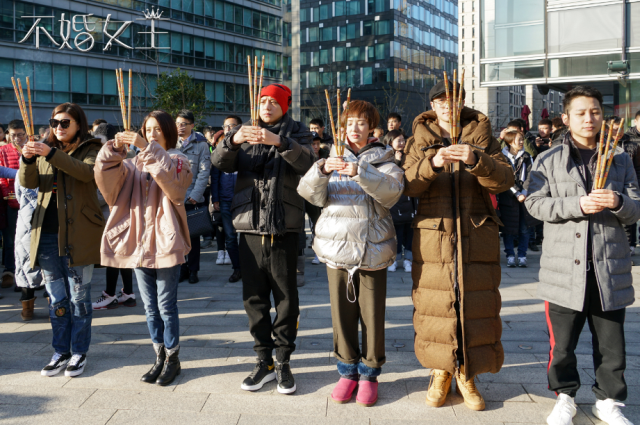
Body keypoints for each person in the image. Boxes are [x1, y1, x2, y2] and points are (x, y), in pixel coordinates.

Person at [524, 86, 640, 425]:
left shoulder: (619, 158)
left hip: (609, 267)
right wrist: (576, 205)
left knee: (611, 344)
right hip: (563, 269)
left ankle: (610, 401)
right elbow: (534, 203)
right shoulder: (547, 159)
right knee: (562, 345)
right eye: (580, 113)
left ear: (603, 117)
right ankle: (565, 396)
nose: (589, 119)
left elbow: (635, 208)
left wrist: (618, 203)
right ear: (566, 118)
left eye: (594, 112)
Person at [403, 79, 514, 411]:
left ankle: (467, 373)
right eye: (440, 102)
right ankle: (441, 371)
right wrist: (432, 164)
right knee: (435, 306)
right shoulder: (418, 140)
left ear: (463, 103)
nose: (447, 106)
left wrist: (476, 160)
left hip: (475, 232)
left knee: (475, 306)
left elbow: (504, 180)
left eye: (453, 100)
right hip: (433, 235)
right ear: (432, 106)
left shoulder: (484, 138)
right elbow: (407, 185)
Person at [298, 100, 403, 407]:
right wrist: (320, 170)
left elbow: (392, 194)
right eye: (349, 123)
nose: (354, 129)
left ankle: (369, 373)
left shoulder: (385, 159)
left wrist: (360, 171)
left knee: (372, 315)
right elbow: (310, 195)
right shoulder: (330, 156)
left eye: (361, 122)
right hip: (336, 247)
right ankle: (346, 371)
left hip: (372, 248)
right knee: (341, 315)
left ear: (372, 127)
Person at [212, 83, 314, 394]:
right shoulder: (244, 133)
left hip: (284, 227)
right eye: (262, 101)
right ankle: (264, 361)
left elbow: (308, 164)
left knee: (286, 299)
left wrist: (279, 142)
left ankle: (283, 361)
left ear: (285, 104)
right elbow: (219, 162)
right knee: (253, 299)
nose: (266, 106)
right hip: (249, 226)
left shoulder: (298, 132)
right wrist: (232, 140)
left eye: (273, 101)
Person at [95, 110, 193, 386]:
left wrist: (145, 148)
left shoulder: (179, 159)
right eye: (147, 130)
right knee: (150, 307)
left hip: (165, 242)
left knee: (166, 304)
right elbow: (106, 183)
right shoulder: (133, 163)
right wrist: (112, 151)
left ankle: (173, 358)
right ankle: (159, 356)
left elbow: (174, 189)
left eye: (157, 131)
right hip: (138, 241)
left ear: (168, 133)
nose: (151, 135)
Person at [19, 102, 105, 377]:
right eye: (55, 123)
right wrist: (28, 159)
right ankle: (60, 351)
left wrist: (51, 152)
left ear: (78, 123)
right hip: (46, 234)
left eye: (65, 123)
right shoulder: (45, 148)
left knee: (79, 298)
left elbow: (85, 173)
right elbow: (29, 183)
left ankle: (79, 352)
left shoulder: (92, 148)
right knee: (56, 299)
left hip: (79, 235)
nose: (58, 127)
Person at [90, 123, 137, 310]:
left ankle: (109, 294)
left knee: (113, 254)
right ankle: (128, 293)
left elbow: (106, 191)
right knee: (121, 253)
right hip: (123, 212)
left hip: (115, 212)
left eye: (100, 144)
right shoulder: (128, 156)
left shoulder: (123, 158)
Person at [176, 110, 211, 284]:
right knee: (178, 236)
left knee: (193, 236)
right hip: (174, 198)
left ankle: (193, 270)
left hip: (191, 198)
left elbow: (204, 173)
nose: (180, 127)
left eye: (183, 124)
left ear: (192, 125)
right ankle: (181, 269)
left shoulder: (201, 145)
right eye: (177, 124)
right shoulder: (170, 143)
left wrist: (195, 195)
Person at [210, 115, 242, 282]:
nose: (229, 129)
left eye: (232, 125)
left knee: (245, 235)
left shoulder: (246, 147)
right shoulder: (220, 148)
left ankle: (249, 267)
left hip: (244, 200)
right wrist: (215, 198)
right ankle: (237, 268)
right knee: (230, 235)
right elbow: (215, 176)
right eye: (226, 126)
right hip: (225, 199)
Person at [498, 130, 534, 268]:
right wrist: (516, 193)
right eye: (518, 139)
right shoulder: (502, 157)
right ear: (510, 141)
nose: (521, 142)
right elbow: (504, 178)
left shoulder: (526, 156)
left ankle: (523, 255)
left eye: (522, 139)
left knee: (525, 228)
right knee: (508, 229)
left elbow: (531, 175)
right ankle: (510, 256)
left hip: (524, 197)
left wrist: (524, 192)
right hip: (508, 197)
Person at [383, 130, 416, 273]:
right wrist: (396, 160)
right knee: (396, 233)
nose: (402, 143)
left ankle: (408, 260)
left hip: (409, 198)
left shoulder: (410, 155)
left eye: (403, 140)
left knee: (410, 232)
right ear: (390, 142)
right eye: (399, 140)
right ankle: (394, 260)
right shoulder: (385, 156)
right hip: (394, 200)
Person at [0, 120, 27, 290]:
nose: (16, 138)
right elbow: (2, 175)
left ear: (26, 134)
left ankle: (26, 275)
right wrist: (6, 195)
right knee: (11, 241)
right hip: (10, 201)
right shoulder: (3, 150)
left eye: (20, 134)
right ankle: (11, 272)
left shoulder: (33, 148)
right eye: (13, 135)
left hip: (30, 201)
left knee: (27, 240)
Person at [14, 176, 43, 320]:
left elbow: (18, 194)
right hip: (47, 217)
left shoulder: (22, 169)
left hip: (25, 219)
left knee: (25, 264)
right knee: (50, 266)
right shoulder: (50, 167)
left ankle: (27, 311)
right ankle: (54, 308)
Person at [307, 132, 330, 266]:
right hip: (308, 194)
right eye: (312, 144)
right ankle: (316, 251)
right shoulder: (303, 155)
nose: (315, 146)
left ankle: (321, 251)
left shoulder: (325, 155)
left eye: (317, 144)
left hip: (324, 193)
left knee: (322, 224)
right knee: (314, 224)